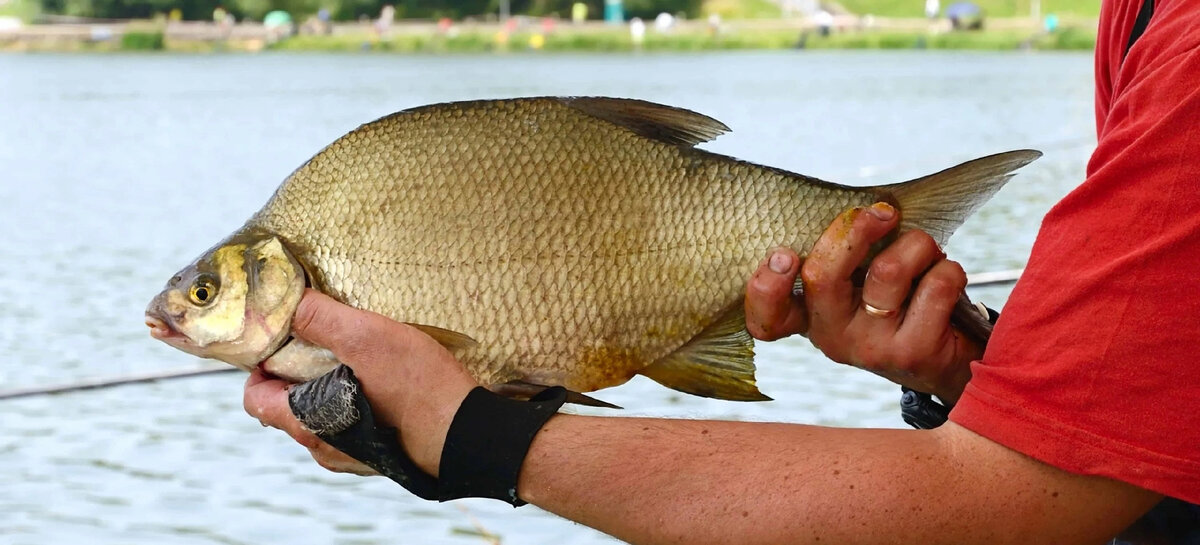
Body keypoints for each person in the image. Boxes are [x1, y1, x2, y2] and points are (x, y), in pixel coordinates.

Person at [244, 0, 1198, 542]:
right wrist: (972, 374)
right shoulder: (1141, 18)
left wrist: (472, 435)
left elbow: (1012, 504)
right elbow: (1139, 446)